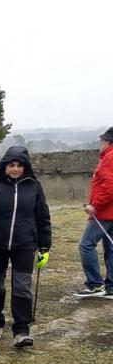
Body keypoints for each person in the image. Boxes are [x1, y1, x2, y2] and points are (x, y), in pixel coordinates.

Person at [0, 146, 52, 347]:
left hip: (24, 244)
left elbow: (43, 217)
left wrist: (44, 247)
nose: (15, 169)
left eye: (19, 165)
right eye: (11, 165)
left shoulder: (34, 186)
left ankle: (22, 331)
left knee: (22, 286)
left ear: (25, 167)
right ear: (5, 166)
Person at [72, 127, 113, 299]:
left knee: (86, 244)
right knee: (110, 248)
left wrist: (94, 205)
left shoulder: (109, 157)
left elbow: (110, 185)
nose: (100, 144)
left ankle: (95, 284)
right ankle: (111, 286)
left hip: (105, 213)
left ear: (109, 142)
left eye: (102, 141)